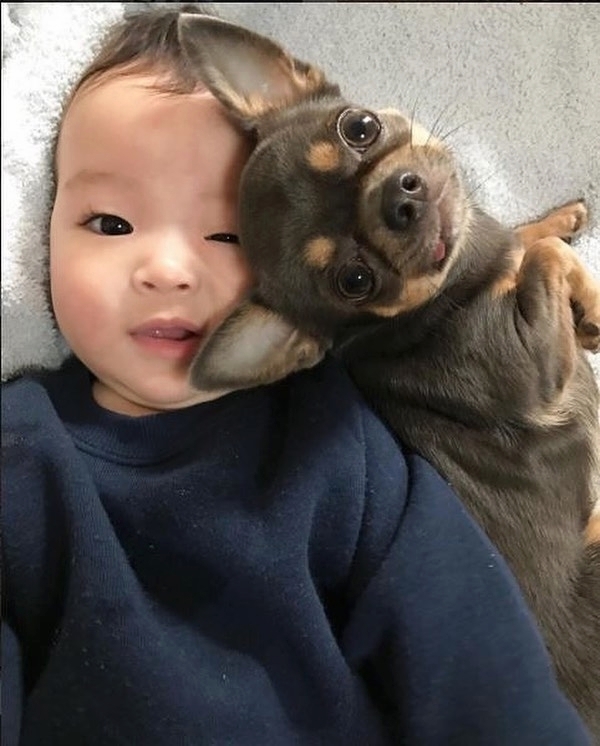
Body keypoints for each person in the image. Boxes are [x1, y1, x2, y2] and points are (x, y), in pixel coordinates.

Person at [1, 6, 592, 745]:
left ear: (290, 317)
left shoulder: (339, 441)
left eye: (228, 235)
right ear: (42, 230)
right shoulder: (18, 450)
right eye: (111, 224)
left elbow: (482, 670)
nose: (165, 271)